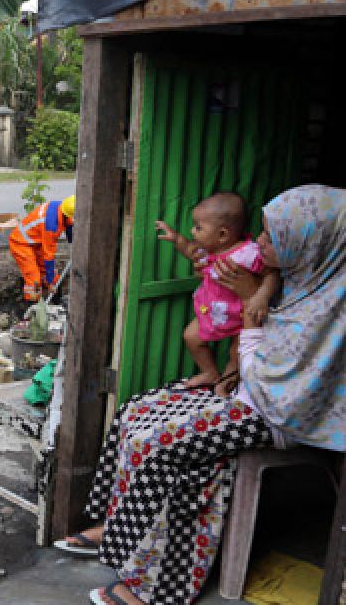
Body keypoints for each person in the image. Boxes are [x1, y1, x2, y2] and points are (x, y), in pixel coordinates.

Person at [57, 185, 344, 605]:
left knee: (160, 447)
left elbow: (277, 380)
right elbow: (254, 353)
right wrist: (236, 354)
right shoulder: (302, 275)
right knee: (135, 411)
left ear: (310, 240)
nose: (260, 242)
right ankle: (117, 527)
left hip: (276, 414)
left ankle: (156, 590)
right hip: (246, 390)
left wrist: (249, 305)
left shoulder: (330, 306)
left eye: (270, 236)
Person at [156, 192, 280, 393]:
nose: (193, 231)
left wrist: (262, 296)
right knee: (191, 336)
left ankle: (226, 383)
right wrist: (176, 238)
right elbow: (189, 249)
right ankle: (210, 372)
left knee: (236, 353)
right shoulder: (209, 250)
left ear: (223, 234)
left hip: (242, 317)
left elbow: (272, 274)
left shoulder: (248, 254)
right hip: (213, 312)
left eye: (198, 227)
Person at [8, 195, 74, 302]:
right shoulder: (51, 225)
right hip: (21, 243)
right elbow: (49, 256)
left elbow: (69, 224)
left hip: (36, 242)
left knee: (51, 275)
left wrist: (72, 242)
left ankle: (57, 304)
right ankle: (31, 310)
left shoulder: (62, 206)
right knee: (34, 279)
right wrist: (51, 282)